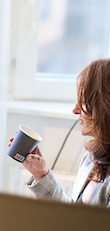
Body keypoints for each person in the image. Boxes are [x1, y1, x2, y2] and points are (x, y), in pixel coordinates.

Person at [16, 58, 110, 205]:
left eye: (83, 101)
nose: (75, 110)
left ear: (104, 107)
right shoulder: (91, 158)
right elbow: (72, 215)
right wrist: (41, 173)